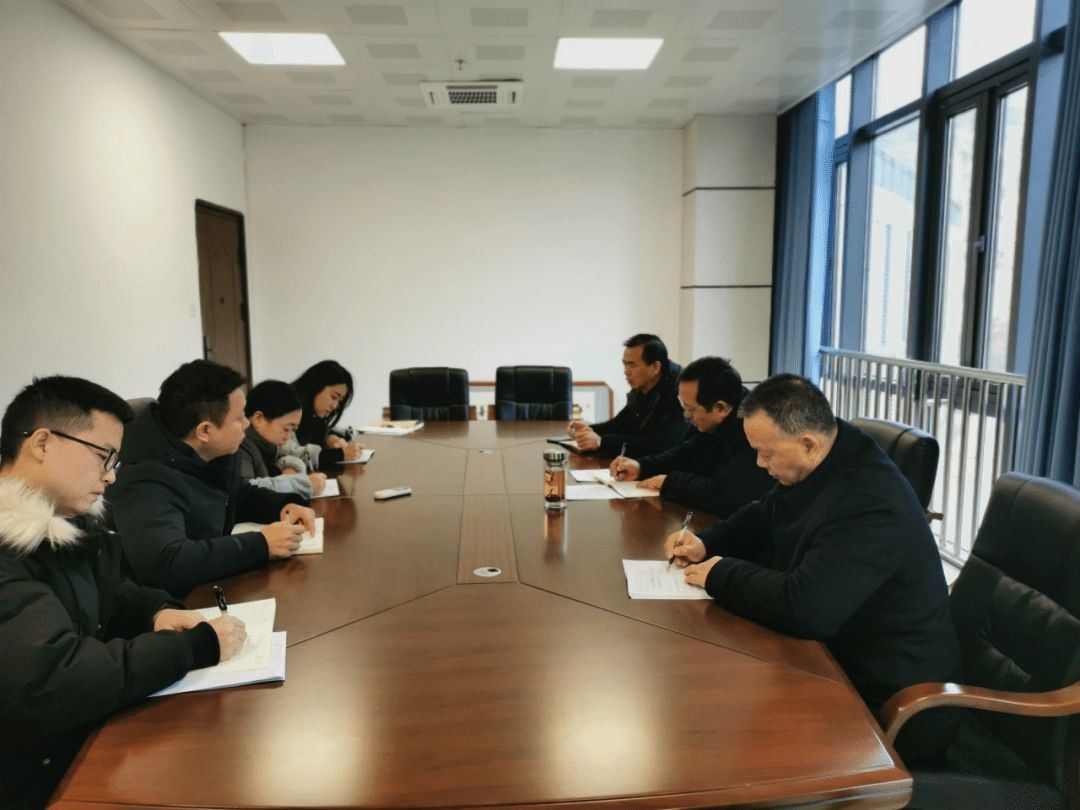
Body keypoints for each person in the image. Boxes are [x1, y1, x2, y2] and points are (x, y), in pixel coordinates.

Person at [665, 374, 961, 763]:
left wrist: (720, 573)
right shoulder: (827, 457)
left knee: (734, 745)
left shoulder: (868, 502)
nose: (759, 464)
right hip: (834, 658)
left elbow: (807, 607)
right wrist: (707, 542)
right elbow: (766, 512)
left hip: (889, 701)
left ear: (808, 444)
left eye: (766, 454)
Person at [0, 376, 247, 810]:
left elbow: (110, 591)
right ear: (42, 443)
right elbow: (54, 679)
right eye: (103, 456)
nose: (111, 475)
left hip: (77, 738)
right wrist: (193, 647)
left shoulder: (65, 518)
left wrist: (156, 611)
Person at [108, 360, 316, 597]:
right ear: (205, 431)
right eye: (239, 418)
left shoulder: (212, 454)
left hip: (211, 585)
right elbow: (167, 563)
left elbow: (239, 495)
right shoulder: (144, 478)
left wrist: (284, 506)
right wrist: (261, 544)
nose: (247, 424)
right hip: (175, 604)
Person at [608, 356, 774, 516]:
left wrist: (670, 482)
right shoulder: (713, 422)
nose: (686, 416)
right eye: (684, 407)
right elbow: (685, 454)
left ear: (720, 408)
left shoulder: (754, 432)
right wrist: (641, 467)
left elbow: (724, 495)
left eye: (690, 409)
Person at [568, 334, 689, 457]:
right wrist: (587, 430)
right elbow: (620, 424)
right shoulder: (643, 385)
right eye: (625, 364)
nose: (626, 372)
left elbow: (660, 445)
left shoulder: (681, 392)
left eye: (632, 365)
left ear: (655, 367)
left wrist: (600, 442)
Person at [239, 380, 327, 498]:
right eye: (286, 429)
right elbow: (247, 492)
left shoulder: (268, 445)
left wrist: (289, 467)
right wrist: (303, 484)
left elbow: (285, 458)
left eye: (293, 430)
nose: (289, 437)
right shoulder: (241, 447)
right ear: (259, 419)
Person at [293, 360, 365, 467]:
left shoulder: (310, 414)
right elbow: (291, 455)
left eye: (339, 401)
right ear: (316, 385)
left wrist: (328, 439)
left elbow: (311, 439)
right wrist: (340, 455)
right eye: (333, 397)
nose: (335, 406)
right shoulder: (288, 408)